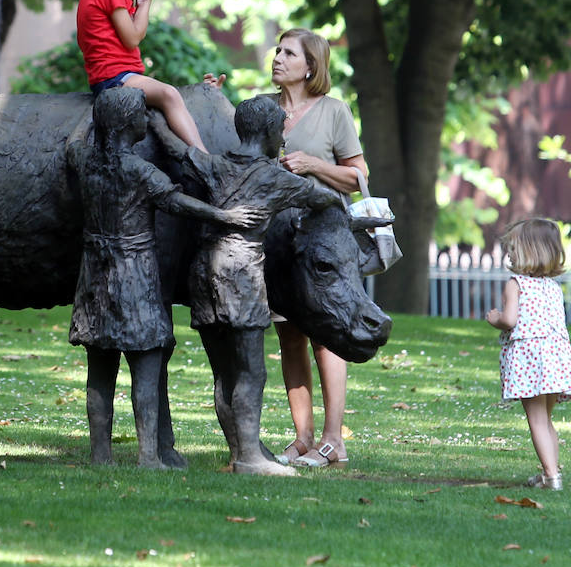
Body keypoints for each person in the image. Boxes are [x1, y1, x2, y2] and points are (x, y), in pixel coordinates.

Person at [69, 88, 266, 469]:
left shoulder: (84, 161)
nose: (148, 120)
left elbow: (74, 142)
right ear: (129, 125)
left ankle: (101, 455)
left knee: (101, 367)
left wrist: (90, 114)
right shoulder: (141, 171)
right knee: (147, 362)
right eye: (143, 116)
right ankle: (147, 456)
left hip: (94, 275)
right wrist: (223, 216)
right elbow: (176, 202)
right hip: (135, 273)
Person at [204, 27, 367, 468]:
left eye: (288, 53)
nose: (277, 58)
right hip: (274, 246)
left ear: (310, 65)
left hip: (319, 244)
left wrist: (313, 165)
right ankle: (303, 437)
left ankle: (334, 440)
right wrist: (215, 100)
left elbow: (358, 176)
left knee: (324, 336)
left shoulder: (334, 112)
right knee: (289, 337)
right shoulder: (265, 108)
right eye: (277, 50)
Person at [153, 96, 341, 475]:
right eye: (281, 135)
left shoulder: (214, 164)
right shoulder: (276, 177)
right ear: (270, 134)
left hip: (203, 276)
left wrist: (154, 116)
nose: (283, 142)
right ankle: (250, 457)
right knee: (251, 372)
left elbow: (176, 147)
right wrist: (353, 219)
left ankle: (243, 448)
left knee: (224, 372)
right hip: (241, 277)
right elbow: (323, 198)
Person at [76, 0, 208, 151]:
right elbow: (134, 37)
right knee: (170, 94)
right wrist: (146, 3)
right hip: (115, 79)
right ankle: (204, 156)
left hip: (116, 77)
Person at [484, 217, 571, 490]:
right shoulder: (552, 287)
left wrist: (495, 318)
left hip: (531, 357)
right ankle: (552, 472)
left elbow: (511, 320)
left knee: (536, 418)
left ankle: (551, 476)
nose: (509, 254)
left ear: (527, 251)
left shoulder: (516, 284)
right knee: (546, 419)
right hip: (556, 357)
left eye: (513, 248)